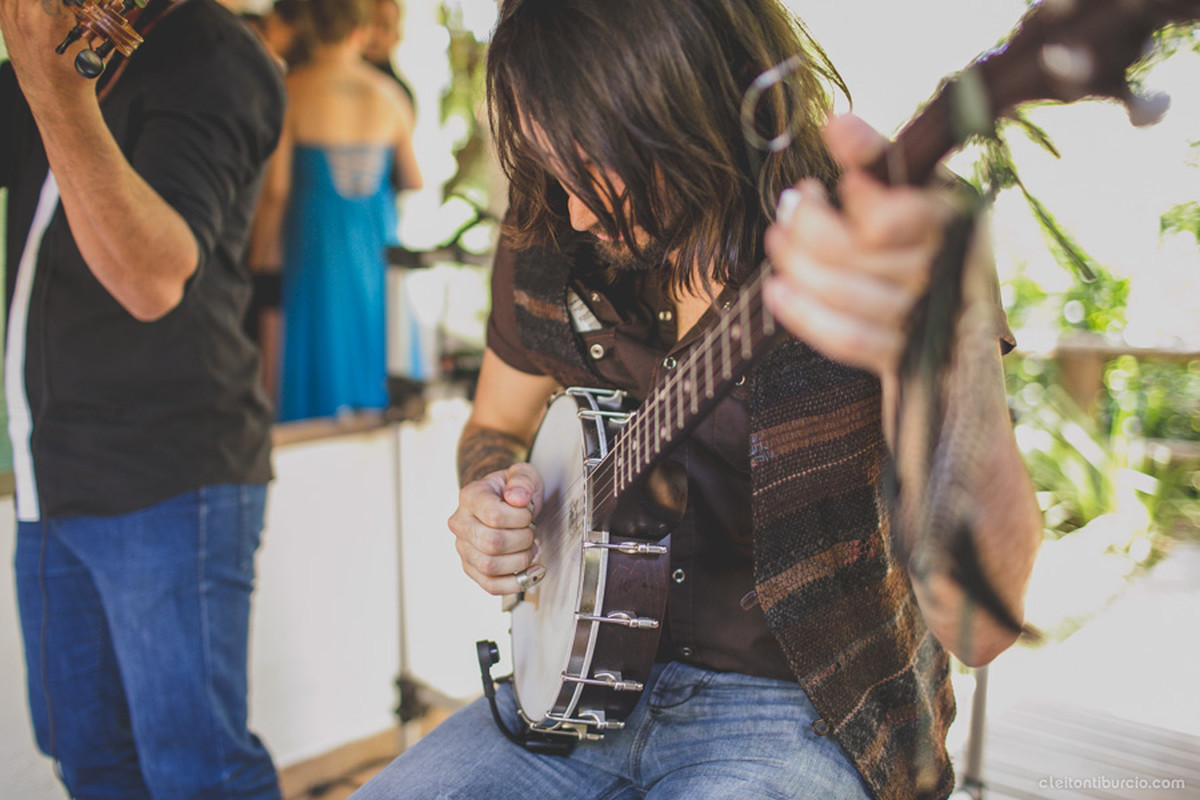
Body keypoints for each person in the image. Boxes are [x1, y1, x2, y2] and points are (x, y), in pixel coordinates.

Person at [353, 0, 1042, 799]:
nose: (576, 211)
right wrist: (494, 497)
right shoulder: (553, 223)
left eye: (600, 166)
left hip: (806, 709)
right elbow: (496, 425)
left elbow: (980, 628)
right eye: (554, 168)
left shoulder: (885, 239)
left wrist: (946, 333)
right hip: (576, 695)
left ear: (694, 104)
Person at [0, 0, 286, 797]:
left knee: (198, 773)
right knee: (87, 759)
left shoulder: (211, 51)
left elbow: (152, 277)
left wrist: (55, 92)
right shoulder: (71, 51)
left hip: (169, 478)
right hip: (52, 479)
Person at [247, 0, 422, 421]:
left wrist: (253, 258)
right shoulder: (390, 96)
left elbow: (277, 190)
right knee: (377, 352)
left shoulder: (290, 91)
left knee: (315, 356)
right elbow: (414, 180)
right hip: (376, 245)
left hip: (313, 248)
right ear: (358, 32)